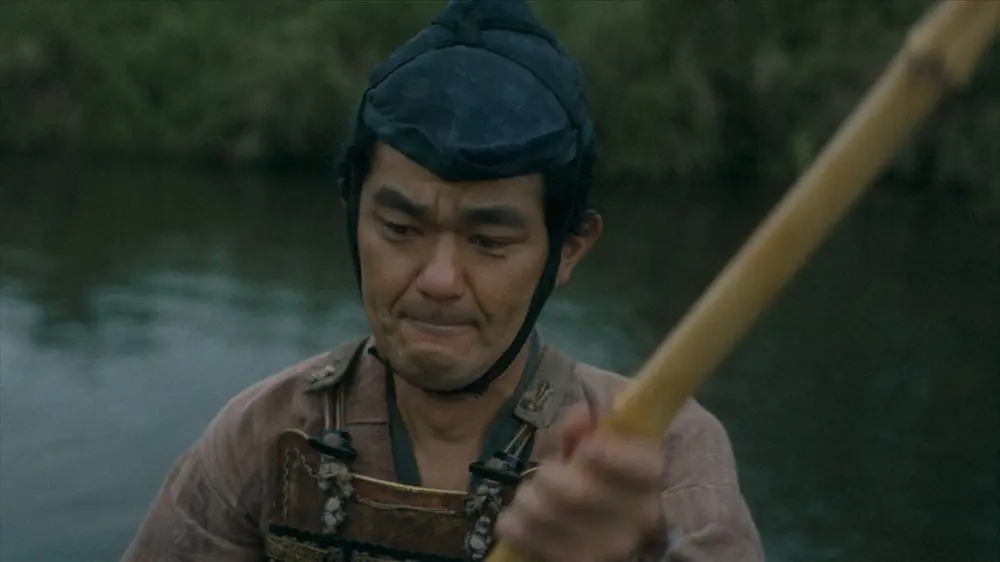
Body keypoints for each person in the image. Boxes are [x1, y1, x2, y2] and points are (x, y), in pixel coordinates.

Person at [123, 1, 763, 560]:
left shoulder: (658, 452)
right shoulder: (265, 435)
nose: (438, 280)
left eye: (489, 241)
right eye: (401, 228)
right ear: (352, 213)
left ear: (568, 249)